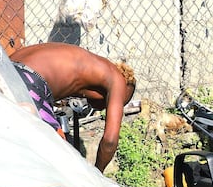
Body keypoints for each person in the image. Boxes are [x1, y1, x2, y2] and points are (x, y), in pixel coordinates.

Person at [10, 42, 136, 172]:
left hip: (4, 67)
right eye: (118, 103)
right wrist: (98, 175)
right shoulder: (117, 79)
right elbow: (110, 141)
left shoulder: (94, 66)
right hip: (28, 79)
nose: (108, 107)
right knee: (62, 165)